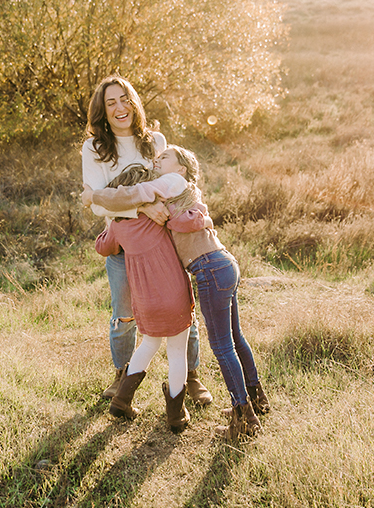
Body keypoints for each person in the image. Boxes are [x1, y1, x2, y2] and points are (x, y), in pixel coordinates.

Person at [83, 145, 270, 440]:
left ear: (180, 168)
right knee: (222, 342)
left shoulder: (171, 186)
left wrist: (100, 199)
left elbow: (128, 210)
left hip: (183, 281)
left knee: (209, 346)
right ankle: (242, 404)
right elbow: (181, 217)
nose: (157, 160)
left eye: (164, 158)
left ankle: (242, 417)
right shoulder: (168, 202)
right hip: (205, 273)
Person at [81, 75, 212, 406]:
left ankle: (191, 376)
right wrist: (142, 205)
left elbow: (174, 182)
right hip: (124, 242)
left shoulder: (154, 140)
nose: (119, 108)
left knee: (181, 305)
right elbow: (96, 203)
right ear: (102, 111)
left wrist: (153, 206)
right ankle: (122, 377)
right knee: (124, 312)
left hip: (162, 240)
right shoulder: (94, 148)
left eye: (125, 99)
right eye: (110, 103)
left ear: (134, 102)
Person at [94, 165, 195, 433]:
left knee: (148, 344)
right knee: (176, 352)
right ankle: (175, 416)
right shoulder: (159, 214)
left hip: (145, 298)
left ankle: (122, 399)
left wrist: (113, 225)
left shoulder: (118, 225)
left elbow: (102, 247)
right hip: (173, 292)